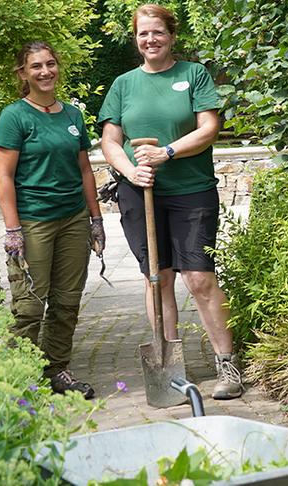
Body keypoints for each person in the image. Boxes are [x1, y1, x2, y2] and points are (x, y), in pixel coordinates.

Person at [98, 4, 243, 400]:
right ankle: (172, 368)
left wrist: (168, 152)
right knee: (156, 278)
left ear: (171, 36)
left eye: (157, 33)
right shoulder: (124, 84)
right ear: (136, 39)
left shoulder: (193, 75)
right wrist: (131, 171)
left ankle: (226, 364)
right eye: (143, 34)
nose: (150, 40)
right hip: (139, 192)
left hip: (191, 190)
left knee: (199, 277)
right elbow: (110, 140)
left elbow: (209, 127)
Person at [0, 41, 104, 399]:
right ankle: (16, 380)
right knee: (28, 306)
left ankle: (57, 370)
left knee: (67, 301)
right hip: (33, 221)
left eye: (50, 64)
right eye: (36, 66)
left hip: (72, 219)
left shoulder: (71, 115)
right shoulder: (15, 116)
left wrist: (96, 219)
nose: (45, 72)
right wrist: (12, 229)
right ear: (23, 73)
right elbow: (4, 177)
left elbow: (85, 169)